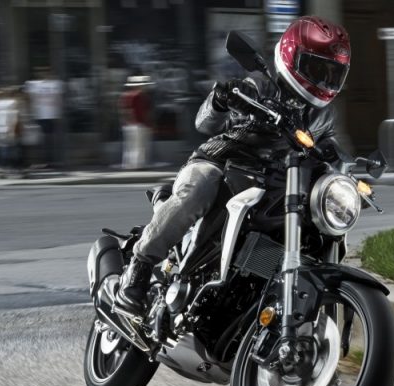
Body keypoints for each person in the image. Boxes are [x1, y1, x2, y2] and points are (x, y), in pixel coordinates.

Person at [115, 16, 352, 314]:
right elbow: (204, 122)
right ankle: (139, 267)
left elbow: (335, 154)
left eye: (333, 73)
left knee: (323, 222)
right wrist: (222, 98)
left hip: (275, 184)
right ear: (292, 58)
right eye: (317, 69)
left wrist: (354, 174)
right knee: (199, 188)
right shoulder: (260, 86)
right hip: (224, 162)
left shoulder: (323, 117)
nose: (324, 80)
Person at [25, 67, 65, 168]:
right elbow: (29, 99)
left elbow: (59, 99)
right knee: (39, 140)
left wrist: (59, 112)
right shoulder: (34, 85)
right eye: (41, 72)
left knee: (49, 140)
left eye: (45, 72)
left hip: (50, 116)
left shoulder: (55, 84)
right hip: (39, 116)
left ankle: (49, 161)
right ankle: (41, 161)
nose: (43, 74)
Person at [120, 75, 154, 170]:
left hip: (127, 125)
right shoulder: (139, 96)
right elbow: (142, 112)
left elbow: (124, 110)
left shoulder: (125, 95)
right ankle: (138, 165)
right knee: (139, 146)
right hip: (138, 124)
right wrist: (144, 122)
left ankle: (128, 164)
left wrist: (126, 121)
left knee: (129, 146)